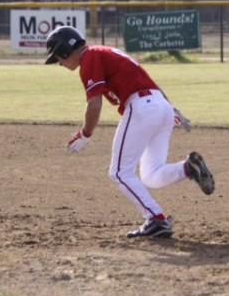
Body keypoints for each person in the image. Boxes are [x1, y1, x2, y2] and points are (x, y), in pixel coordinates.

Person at [44, 25, 215, 239]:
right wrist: (171, 110)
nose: (59, 63)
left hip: (141, 107)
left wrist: (85, 134)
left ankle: (156, 219)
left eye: (58, 58)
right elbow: (151, 85)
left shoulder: (89, 58)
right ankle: (188, 169)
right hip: (160, 106)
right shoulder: (103, 52)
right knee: (151, 175)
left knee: (118, 172)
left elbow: (94, 104)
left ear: (64, 51)